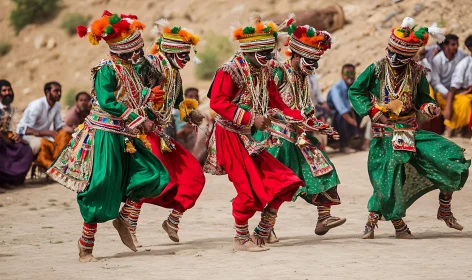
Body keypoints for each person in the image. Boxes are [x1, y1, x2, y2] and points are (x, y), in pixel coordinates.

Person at [47, 11, 169, 262]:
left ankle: (124, 219)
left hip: (126, 134)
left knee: (155, 174)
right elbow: (107, 101)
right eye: (135, 49)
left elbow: (131, 94)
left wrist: (149, 98)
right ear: (122, 50)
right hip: (105, 134)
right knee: (101, 187)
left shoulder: (128, 67)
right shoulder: (106, 69)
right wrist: (139, 119)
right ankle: (86, 244)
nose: (138, 54)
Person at [348, 17, 471, 239]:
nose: (395, 59)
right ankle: (381, 222)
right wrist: (373, 111)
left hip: (408, 131)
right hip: (385, 133)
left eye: (401, 56)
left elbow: (422, 98)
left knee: (450, 157)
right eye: (392, 53)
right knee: (390, 175)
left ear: (410, 56)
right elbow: (355, 91)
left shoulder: (417, 72)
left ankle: (444, 209)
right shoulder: (376, 68)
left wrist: (429, 106)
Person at [204, 14, 304, 252]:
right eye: (265, 54)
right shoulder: (229, 71)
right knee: (247, 191)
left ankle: (263, 230)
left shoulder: (264, 70)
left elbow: (276, 101)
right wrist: (250, 118)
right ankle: (241, 239)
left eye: (271, 54)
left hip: (250, 137)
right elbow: (217, 102)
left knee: (286, 180)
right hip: (229, 135)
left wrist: (303, 120)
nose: (270, 58)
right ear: (250, 50)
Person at [117, 19, 206, 247]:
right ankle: (128, 222)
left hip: (161, 134)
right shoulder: (152, 64)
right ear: (170, 51)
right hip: (142, 132)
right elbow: (134, 84)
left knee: (194, 176)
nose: (186, 60)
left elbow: (177, 102)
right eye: (183, 55)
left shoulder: (175, 74)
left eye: (188, 55)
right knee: (153, 177)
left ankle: (172, 222)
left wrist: (190, 113)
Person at [254, 23, 346, 239]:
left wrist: (324, 127)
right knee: (278, 185)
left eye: (316, 62)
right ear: (294, 55)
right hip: (276, 138)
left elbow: (306, 114)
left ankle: (324, 217)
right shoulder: (278, 71)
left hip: (299, 138)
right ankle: (265, 228)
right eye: (309, 61)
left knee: (325, 169)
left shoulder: (304, 79)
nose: (312, 66)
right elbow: (265, 102)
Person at [443, 35, 472, 135]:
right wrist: (448, 108)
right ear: (470, 48)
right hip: (464, 92)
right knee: (464, 102)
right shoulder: (463, 64)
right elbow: (454, 87)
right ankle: (452, 130)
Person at [16, 81, 64, 160]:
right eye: (56, 91)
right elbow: (22, 129)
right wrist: (48, 133)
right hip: (29, 137)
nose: (59, 94)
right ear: (47, 92)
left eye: (60, 91)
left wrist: (64, 135)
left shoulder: (57, 105)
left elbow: (58, 126)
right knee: (45, 145)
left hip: (44, 136)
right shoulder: (37, 106)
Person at [0, 80, 33, 191]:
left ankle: (12, 180)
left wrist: (17, 136)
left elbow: (12, 128)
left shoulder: (11, 109)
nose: (7, 93)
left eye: (9, 90)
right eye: (4, 90)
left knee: (25, 149)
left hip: (7, 139)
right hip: (1, 140)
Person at [327, 63, 363, 152]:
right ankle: (343, 145)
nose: (350, 76)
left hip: (347, 112)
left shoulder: (354, 86)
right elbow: (342, 110)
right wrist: (353, 122)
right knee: (342, 117)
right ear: (342, 75)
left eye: (352, 73)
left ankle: (358, 142)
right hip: (334, 115)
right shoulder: (337, 88)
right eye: (347, 74)